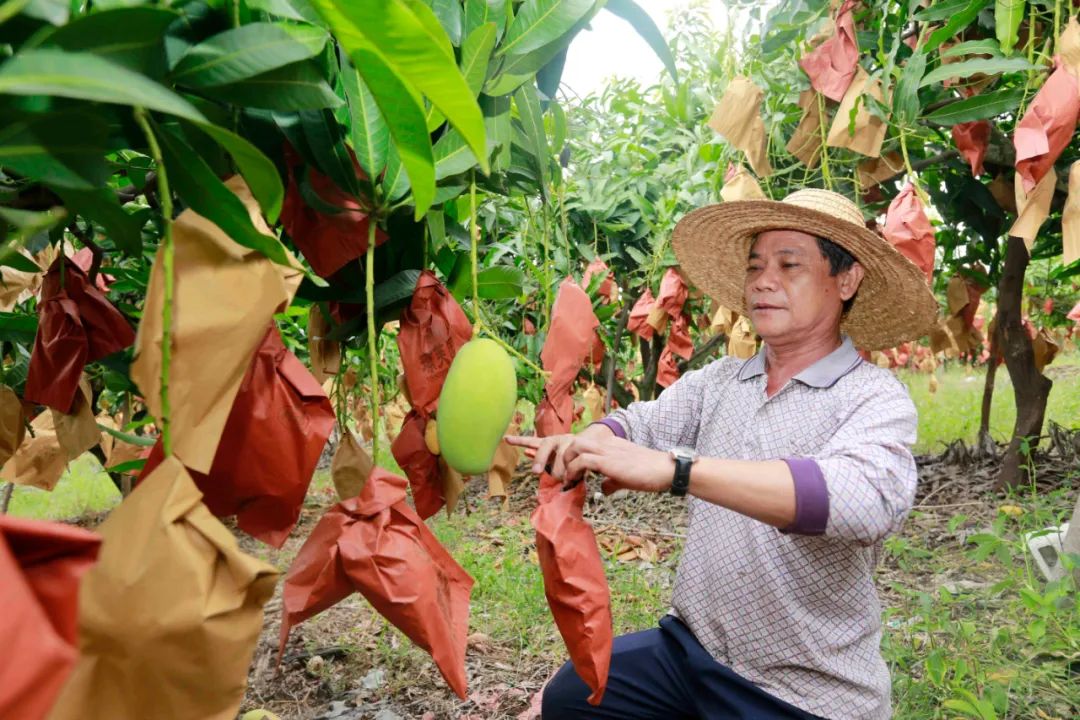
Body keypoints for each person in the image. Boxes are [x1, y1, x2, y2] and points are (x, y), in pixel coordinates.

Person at [507, 188, 938, 720]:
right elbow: (641, 423)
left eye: (789, 264)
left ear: (845, 280)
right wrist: (594, 438)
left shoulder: (871, 396)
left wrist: (678, 471)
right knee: (569, 698)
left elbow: (861, 501)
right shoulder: (722, 381)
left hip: (805, 689)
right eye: (756, 265)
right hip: (693, 651)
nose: (763, 280)